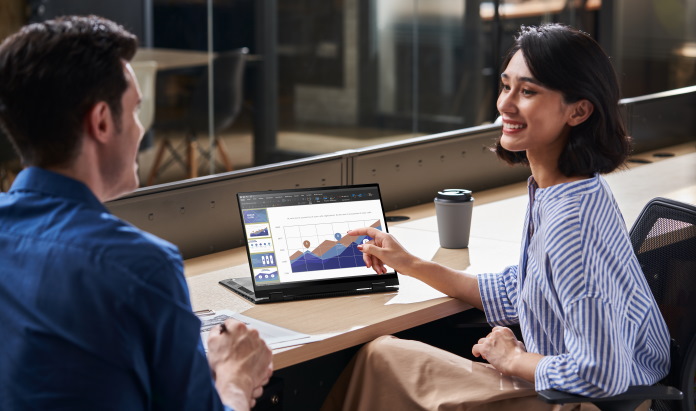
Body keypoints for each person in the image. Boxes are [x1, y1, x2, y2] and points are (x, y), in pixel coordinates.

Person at [322, 24, 671, 410]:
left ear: (579, 110)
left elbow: (601, 374)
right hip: (569, 387)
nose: (505, 104)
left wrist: (512, 359)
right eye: (506, 86)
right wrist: (408, 263)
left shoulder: (570, 225)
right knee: (385, 357)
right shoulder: (566, 189)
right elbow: (515, 292)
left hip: (580, 402)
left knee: (380, 358)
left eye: (528, 91)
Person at [0, 15, 272, 411]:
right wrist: (234, 378)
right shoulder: (140, 266)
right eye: (135, 110)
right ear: (102, 121)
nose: (142, 130)